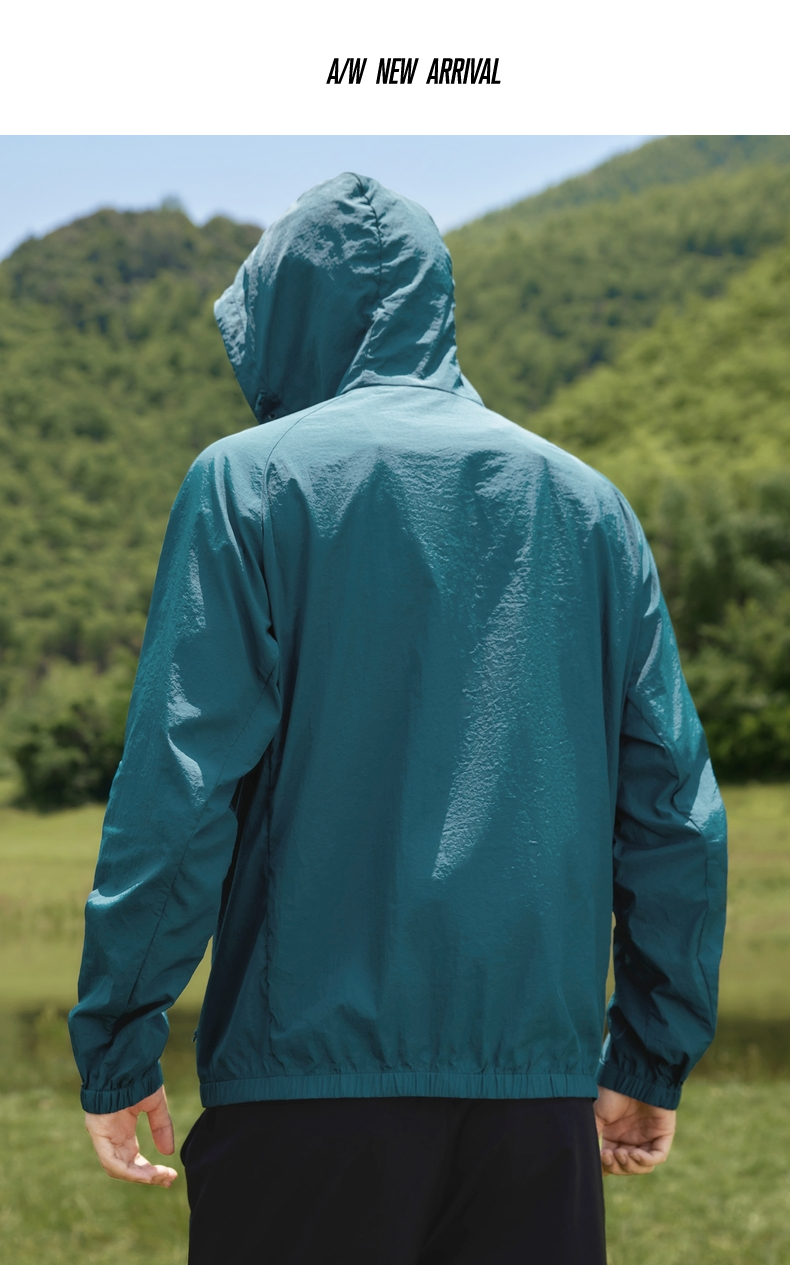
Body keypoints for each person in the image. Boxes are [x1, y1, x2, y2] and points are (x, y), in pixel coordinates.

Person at [69, 173, 727, 1264]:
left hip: (302, 1097)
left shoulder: (247, 485)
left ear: (285, 316)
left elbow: (178, 791)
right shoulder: (589, 506)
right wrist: (651, 1053)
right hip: (535, 1109)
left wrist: (118, 1040)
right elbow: (676, 815)